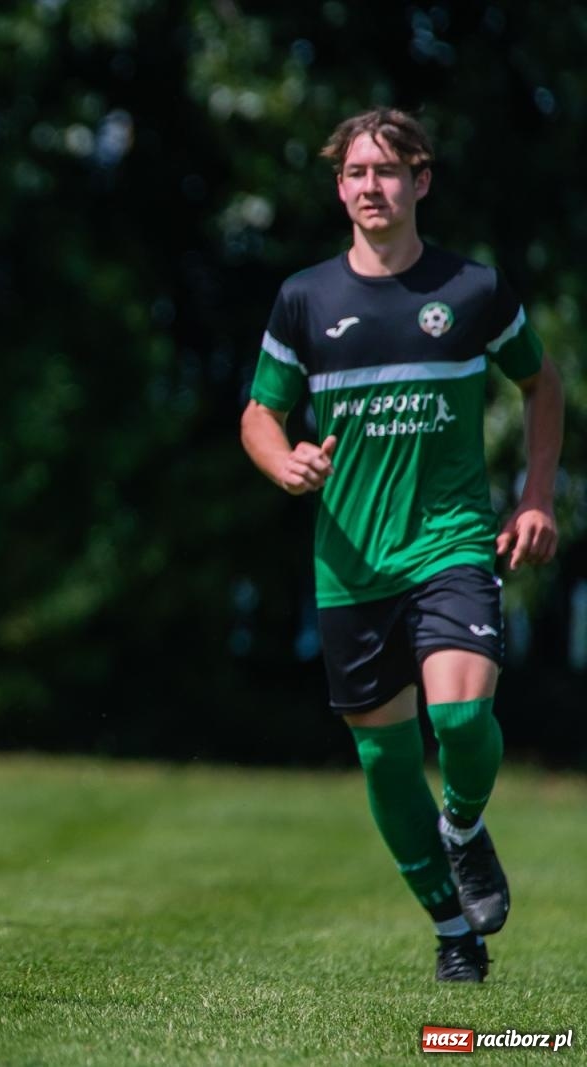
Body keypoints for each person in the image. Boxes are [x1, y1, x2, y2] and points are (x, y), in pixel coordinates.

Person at [241, 108, 563, 983]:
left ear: (422, 181)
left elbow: (541, 382)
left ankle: (462, 825)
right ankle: (453, 927)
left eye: (386, 171)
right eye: (353, 173)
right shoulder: (307, 298)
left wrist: (536, 496)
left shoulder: (472, 291)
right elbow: (260, 412)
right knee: (384, 754)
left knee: (460, 717)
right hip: (350, 562)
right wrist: (284, 462)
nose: (368, 188)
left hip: (451, 542)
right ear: (338, 186)